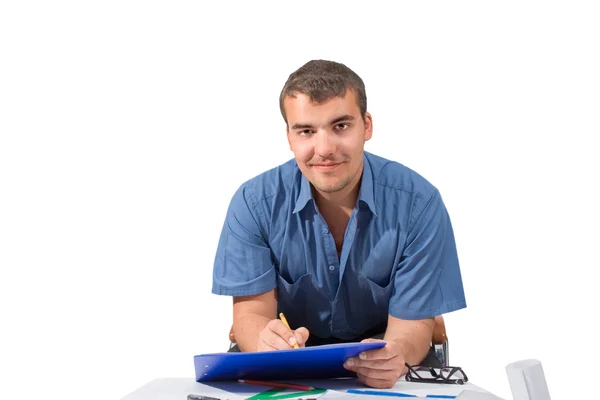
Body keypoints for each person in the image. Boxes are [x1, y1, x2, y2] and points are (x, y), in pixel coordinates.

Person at [211, 59, 466, 388]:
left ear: (367, 126)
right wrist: (264, 340)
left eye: (341, 126)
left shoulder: (419, 204)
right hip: (287, 358)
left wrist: (395, 353)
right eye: (306, 131)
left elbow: (411, 328)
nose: (325, 149)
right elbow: (250, 317)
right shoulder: (253, 203)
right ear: (289, 137)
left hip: (381, 354)